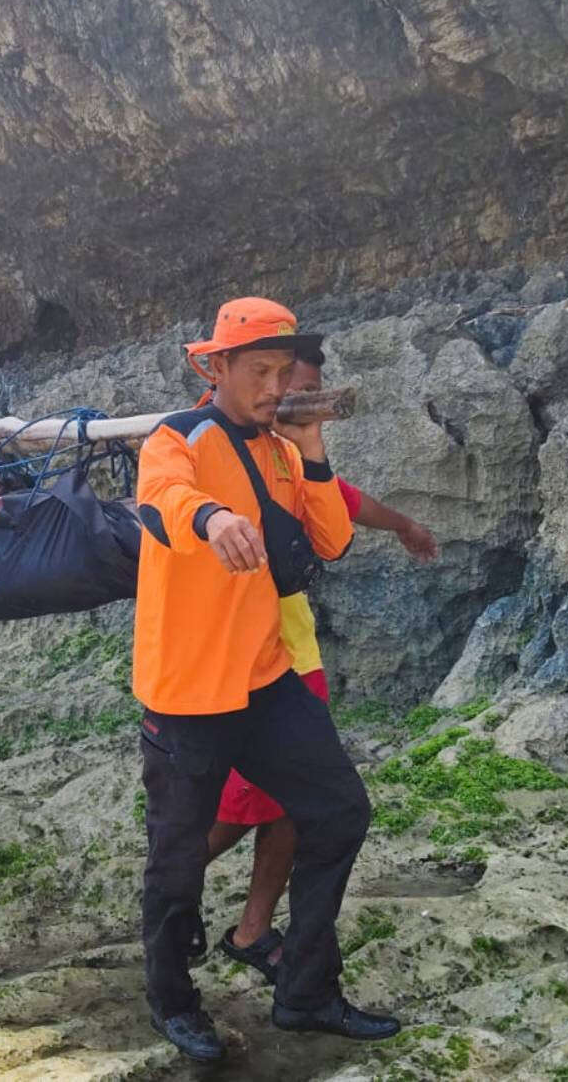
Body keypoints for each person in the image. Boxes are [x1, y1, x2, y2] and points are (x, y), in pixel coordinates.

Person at [132, 297, 397, 1062]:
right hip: (185, 689)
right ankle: (172, 999)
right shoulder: (174, 438)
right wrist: (212, 519)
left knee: (340, 810)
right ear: (214, 367)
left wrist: (312, 449)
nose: (274, 386)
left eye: (284, 372)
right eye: (259, 371)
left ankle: (306, 990)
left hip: (263, 677)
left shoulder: (283, 449)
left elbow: (333, 539)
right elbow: (161, 501)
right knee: (177, 852)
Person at [206, 341, 439, 986]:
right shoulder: (216, 446)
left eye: (303, 389)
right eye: (279, 383)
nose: (290, 398)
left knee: (289, 806)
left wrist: (405, 526)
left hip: (293, 657)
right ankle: (166, 905)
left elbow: (347, 505)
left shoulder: (291, 454)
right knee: (228, 814)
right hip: (244, 668)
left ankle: (251, 931)